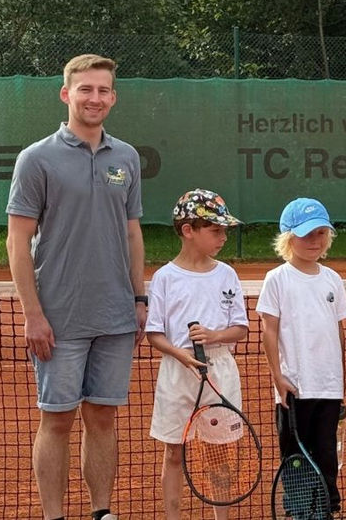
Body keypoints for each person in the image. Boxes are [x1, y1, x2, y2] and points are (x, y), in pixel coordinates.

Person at [6, 53, 144, 520]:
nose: (95, 98)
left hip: (116, 315)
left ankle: (101, 512)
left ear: (113, 98)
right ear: (66, 94)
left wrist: (139, 297)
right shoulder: (36, 159)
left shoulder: (126, 157)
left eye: (103, 90)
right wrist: (33, 314)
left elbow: (131, 231)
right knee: (58, 419)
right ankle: (53, 516)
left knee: (103, 417)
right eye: (86, 89)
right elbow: (17, 240)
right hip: (58, 317)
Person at [144, 189, 247, 519]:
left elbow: (240, 329)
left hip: (220, 369)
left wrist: (215, 335)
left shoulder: (227, 274)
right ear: (188, 230)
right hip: (178, 373)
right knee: (173, 453)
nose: (223, 237)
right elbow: (154, 334)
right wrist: (181, 355)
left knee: (219, 454)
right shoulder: (164, 278)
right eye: (215, 230)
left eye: (224, 230)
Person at [257, 197, 346, 514]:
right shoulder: (277, 279)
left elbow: (338, 333)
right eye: (307, 234)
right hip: (294, 388)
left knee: (326, 455)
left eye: (321, 233)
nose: (315, 241)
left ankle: (323, 510)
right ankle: (299, 511)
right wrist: (278, 378)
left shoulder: (333, 280)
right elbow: (269, 331)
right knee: (295, 457)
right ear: (287, 238)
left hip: (329, 388)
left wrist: (341, 382)